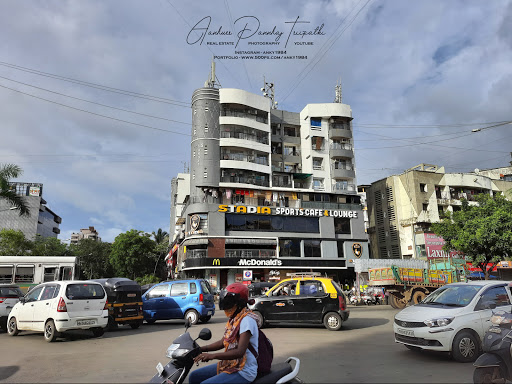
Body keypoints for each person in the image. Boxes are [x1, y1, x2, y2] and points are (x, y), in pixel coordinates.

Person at [189, 283, 261, 384]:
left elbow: (240, 352)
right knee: (194, 376)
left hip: (244, 370)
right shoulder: (235, 319)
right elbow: (223, 342)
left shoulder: (247, 320)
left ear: (238, 304)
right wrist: (200, 349)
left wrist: (212, 356)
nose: (226, 308)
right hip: (231, 363)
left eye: (229, 304)